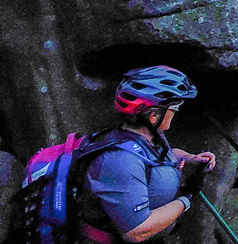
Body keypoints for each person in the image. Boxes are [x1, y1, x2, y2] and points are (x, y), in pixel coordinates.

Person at [76, 66, 218, 244]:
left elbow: (159, 158)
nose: (177, 112)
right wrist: (186, 198)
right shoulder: (120, 161)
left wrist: (188, 158)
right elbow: (137, 231)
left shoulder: (148, 137)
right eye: (175, 107)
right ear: (153, 115)